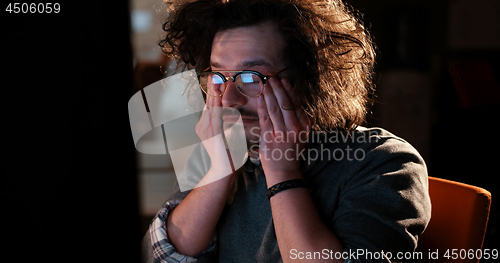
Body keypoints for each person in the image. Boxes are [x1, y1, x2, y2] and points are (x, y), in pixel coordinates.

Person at [142, 0, 431, 262]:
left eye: (249, 76)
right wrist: (220, 170)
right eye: (219, 75)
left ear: (310, 79)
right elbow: (159, 257)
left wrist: (282, 172)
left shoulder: (383, 162)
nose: (228, 99)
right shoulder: (223, 148)